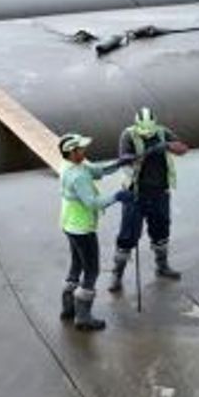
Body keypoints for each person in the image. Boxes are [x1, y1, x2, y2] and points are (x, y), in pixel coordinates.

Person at [109, 108, 190, 292]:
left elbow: (183, 148)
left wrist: (168, 146)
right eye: (145, 132)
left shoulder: (162, 132)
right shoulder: (127, 135)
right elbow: (122, 158)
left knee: (161, 230)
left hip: (160, 192)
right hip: (135, 194)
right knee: (128, 235)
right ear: (137, 125)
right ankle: (117, 274)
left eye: (150, 131)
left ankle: (162, 266)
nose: (148, 134)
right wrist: (137, 156)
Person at [58, 133, 132, 331]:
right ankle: (83, 317)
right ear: (72, 152)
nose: (84, 150)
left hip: (69, 224)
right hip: (82, 228)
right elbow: (92, 203)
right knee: (91, 270)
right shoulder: (78, 176)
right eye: (80, 149)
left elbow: (97, 171)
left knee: (76, 264)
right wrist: (118, 196)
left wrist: (118, 163)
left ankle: (68, 308)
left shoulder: (70, 165)